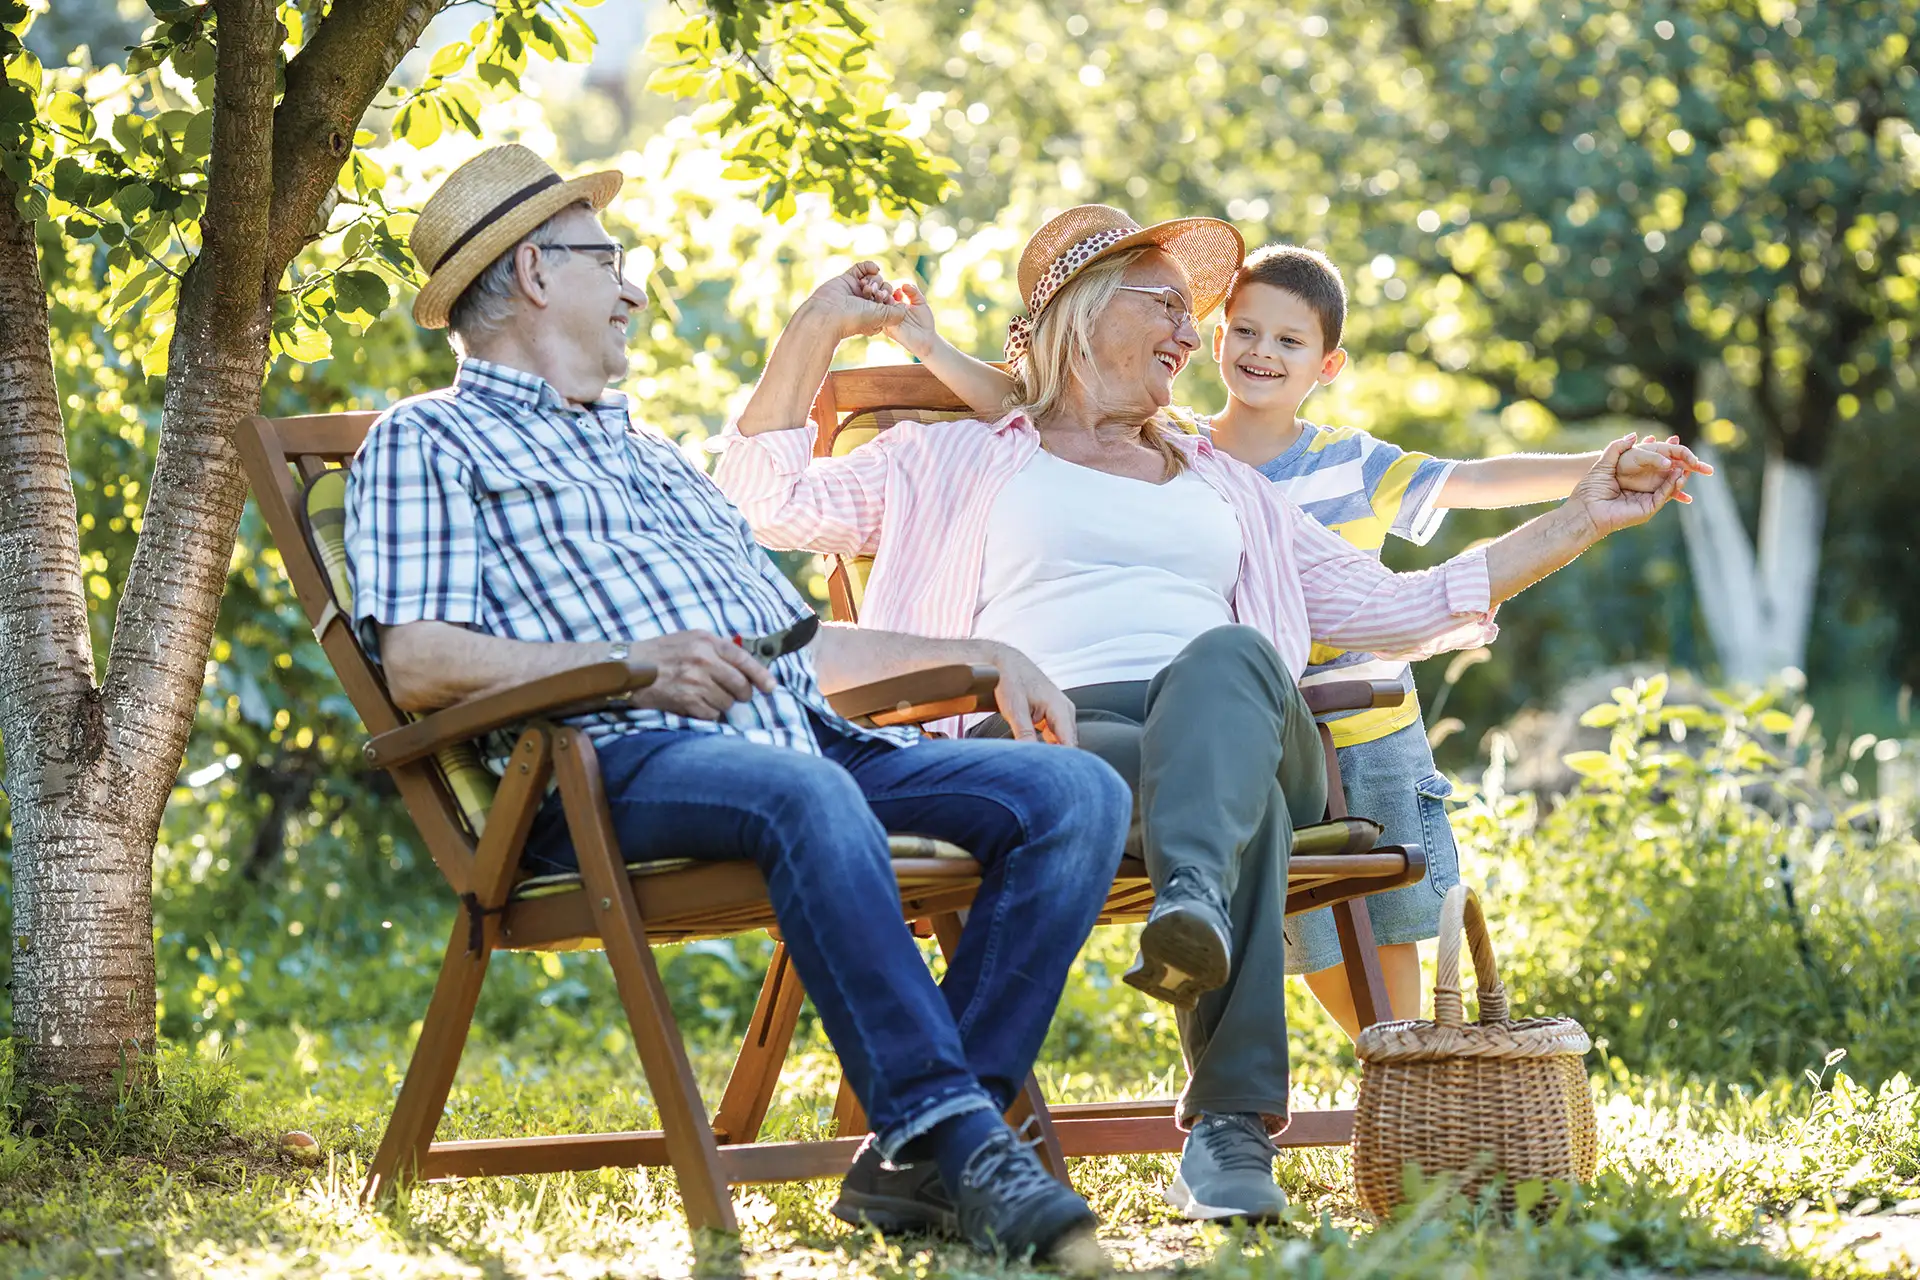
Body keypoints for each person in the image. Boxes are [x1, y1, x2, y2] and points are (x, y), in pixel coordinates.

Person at [714, 204, 1695, 1222]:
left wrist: (1582, 516)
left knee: (1230, 656)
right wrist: (816, 328)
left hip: (1239, 718)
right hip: (1056, 743)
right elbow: (759, 502)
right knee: (1227, 803)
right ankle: (1229, 1127)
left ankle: (1189, 900)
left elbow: (1406, 606)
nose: (1195, 337)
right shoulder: (947, 458)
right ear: (1086, 312)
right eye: (1170, 307)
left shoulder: (1231, 486)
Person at [341, 146, 1133, 1266]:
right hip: (605, 769)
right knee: (804, 792)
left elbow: (798, 646)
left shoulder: (653, 454)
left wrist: (977, 650)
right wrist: (630, 664)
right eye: (608, 262)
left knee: (1076, 793)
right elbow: (418, 662)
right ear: (533, 272)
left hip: (806, 750)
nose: (631, 291)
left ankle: (920, 1155)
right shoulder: (427, 440)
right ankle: (963, 1141)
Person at [879, 236, 1711, 1039]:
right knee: (1271, 872)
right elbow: (1037, 403)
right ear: (1213, 342)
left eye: (1288, 340)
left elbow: (1455, 508)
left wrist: (1586, 489)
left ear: (1327, 365)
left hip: (1327, 724)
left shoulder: (1273, 471)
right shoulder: (1160, 439)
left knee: (1252, 700)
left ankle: (1404, 1065)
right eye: (1241, 331)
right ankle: (1270, 1045)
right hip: (1171, 745)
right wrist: (926, 346)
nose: (1259, 351)